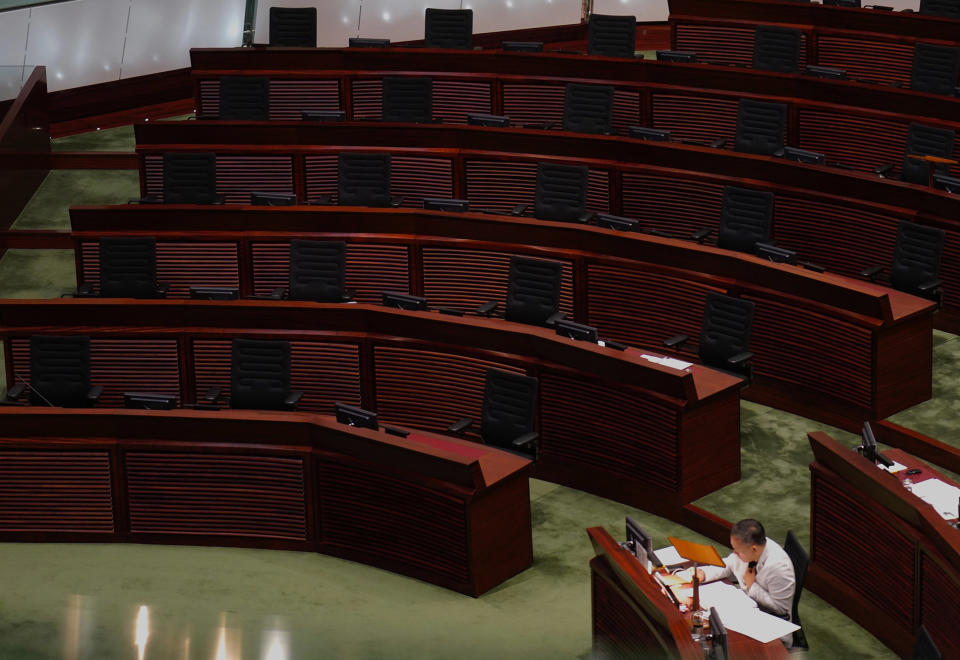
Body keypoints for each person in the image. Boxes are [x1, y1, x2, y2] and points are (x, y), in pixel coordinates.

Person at [695, 519, 796, 642]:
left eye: (738, 551)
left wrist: (752, 586)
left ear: (754, 549)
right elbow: (729, 564)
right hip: (747, 609)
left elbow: (781, 610)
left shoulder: (779, 568)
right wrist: (704, 574)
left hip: (773, 630)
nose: (735, 553)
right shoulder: (751, 550)